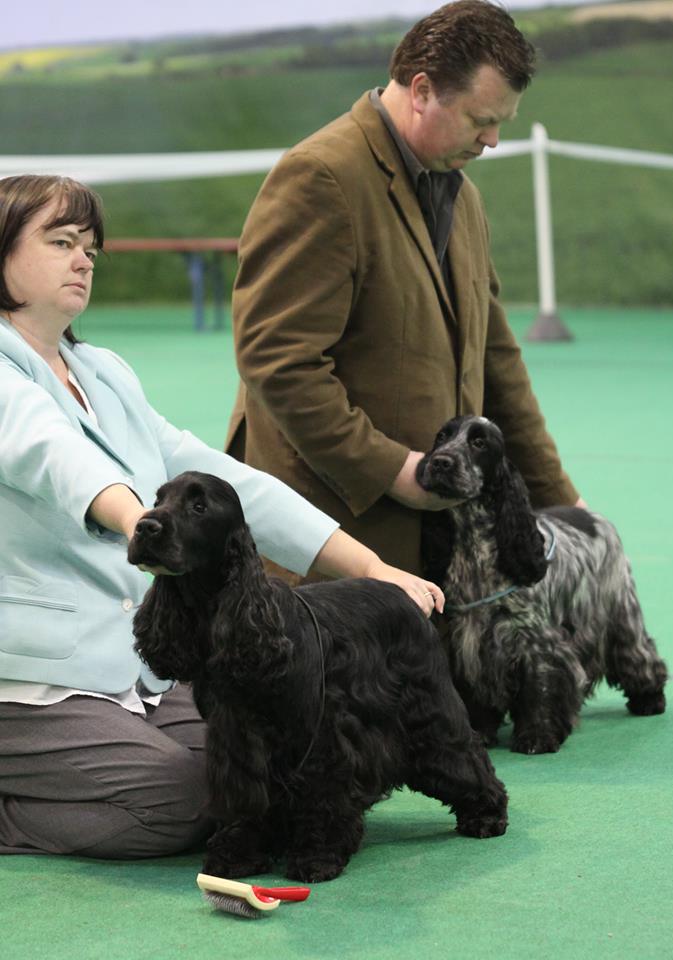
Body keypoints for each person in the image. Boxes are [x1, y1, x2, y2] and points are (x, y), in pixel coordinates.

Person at [0, 174, 444, 860]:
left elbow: (229, 482)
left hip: (131, 671)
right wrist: (142, 523)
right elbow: (55, 460)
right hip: (32, 685)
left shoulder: (102, 371)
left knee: (272, 766)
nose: (84, 258)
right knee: (184, 803)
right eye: (60, 242)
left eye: (90, 245)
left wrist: (369, 566)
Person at [226, 0, 583, 582]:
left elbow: (495, 360)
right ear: (421, 90)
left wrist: (560, 503)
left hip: (430, 551)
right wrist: (396, 471)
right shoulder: (320, 177)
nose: (492, 139)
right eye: (478, 119)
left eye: (502, 123)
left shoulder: (462, 196)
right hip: (324, 553)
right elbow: (278, 363)